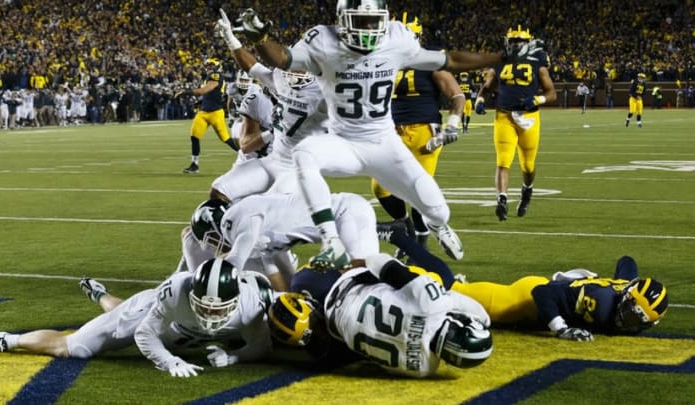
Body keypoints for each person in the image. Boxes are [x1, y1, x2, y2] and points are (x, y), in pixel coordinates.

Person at [230, 3, 540, 270]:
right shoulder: (323, 40)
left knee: (438, 209)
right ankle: (331, 241)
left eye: (373, 21)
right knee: (305, 154)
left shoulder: (396, 38)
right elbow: (281, 59)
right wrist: (260, 37)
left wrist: (499, 57)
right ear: (343, 20)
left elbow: (450, 60)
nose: (368, 28)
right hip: (343, 141)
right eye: (360, 21)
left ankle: (437, 224)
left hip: (383, 143)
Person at [0, 259, 275, 377]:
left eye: (217, 308)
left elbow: (262, 345)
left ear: (236, 299)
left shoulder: (255, 299)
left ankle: (100, 295)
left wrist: (235, 357)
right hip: (150, 315)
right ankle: (4, 339)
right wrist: (169, 361)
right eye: (203, 306)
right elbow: (145, 335)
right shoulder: (173, 292)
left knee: (121, 311)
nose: (210, 315)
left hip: (176, 327)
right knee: (74, 347)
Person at [377, 222, 669, 341]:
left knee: (450, 289)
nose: (628, 320)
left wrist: (631, 281)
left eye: (636, 318)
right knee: (445, 287)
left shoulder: (623, 293)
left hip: (548, 292)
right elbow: (544, 293)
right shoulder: (603, 304)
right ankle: (397, 237)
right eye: (631, 311)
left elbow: (627, 264)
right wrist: (562, 329)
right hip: (524, 302)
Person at [269, 253, 493, 377]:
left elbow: (379, 261)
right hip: (339, 341)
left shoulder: (433, 304)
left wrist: (352, 261)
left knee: (303, 277)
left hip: (341, 289)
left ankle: (270, 260)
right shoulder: (423, 369)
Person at [210, 10, 328, 203]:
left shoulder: (324, 92)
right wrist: (230, 39)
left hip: (298, 167)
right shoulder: (281, 79)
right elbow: (253, 67)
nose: (292, 70)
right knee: (220, 190)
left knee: (267, 209)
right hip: (273, 159)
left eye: (299, 65)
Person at [372, 12, 464, 252]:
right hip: (391, 131)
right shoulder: (383, 58)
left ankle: (418, 247)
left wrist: (453, 123)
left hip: (424, 131)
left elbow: (457, 95)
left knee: (418, 191)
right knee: (379, 187)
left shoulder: (429, 59)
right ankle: (404, 228)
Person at [183, 192, 379, 292]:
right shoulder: (251, 236)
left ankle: (396, 237)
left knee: (361, 277)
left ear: (217, 226)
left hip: (347, 214)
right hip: (332, 230)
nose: (214, 246)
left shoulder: (239, 217)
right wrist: (284, 300)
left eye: (212, 239)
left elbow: (234, 263)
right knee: (310, 288)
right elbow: (275, 277)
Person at [474, 26, 556, 221]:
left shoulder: (538, 62)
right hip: (504, 116)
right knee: (503, 161)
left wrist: (537, 100)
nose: (515, 44)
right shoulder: (500, 62)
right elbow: (487, 87)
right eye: (513, 41)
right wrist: (480, 100)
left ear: (528, 43)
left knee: (528, 166)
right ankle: (501, 200)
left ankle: (527, 191)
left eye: (519, 41)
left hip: (529, 119)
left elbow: (551, 93)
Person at [182, 59, 239, 174]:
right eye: (207, 65)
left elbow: (205, 90)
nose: (208, 67)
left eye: (211, 65)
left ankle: (247, 156)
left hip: (215, 113)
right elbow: (209, 94)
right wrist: (200, 102)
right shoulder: (209, 77)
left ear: (217, 66)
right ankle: (194, 164)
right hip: (203, 112)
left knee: (226, 139)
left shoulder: (216, 75)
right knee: (194, 136)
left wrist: (187, 92)